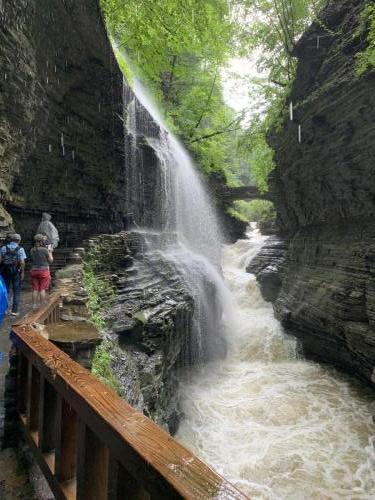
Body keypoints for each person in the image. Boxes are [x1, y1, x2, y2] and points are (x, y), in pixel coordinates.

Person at [0, 233, 26, 316]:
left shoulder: (3, 248)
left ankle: (4, 309)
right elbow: (22, 262)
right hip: (16, 273)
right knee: (16, 291)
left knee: (5, 291)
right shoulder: (20, 249)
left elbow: (0, 260)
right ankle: (14, 311)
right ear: (19, 240)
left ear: (11, 240)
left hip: (5, 272)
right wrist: (22, 272)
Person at [30, 234, 53, 308]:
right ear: (41, 241)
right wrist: (50, 252)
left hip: (34, 271)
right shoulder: (45, 250)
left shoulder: (32, 250)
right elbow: (51, 261)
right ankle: (42, 305)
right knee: (42, 289)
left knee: (35, 289)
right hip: (43, 271)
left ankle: (34, 305)